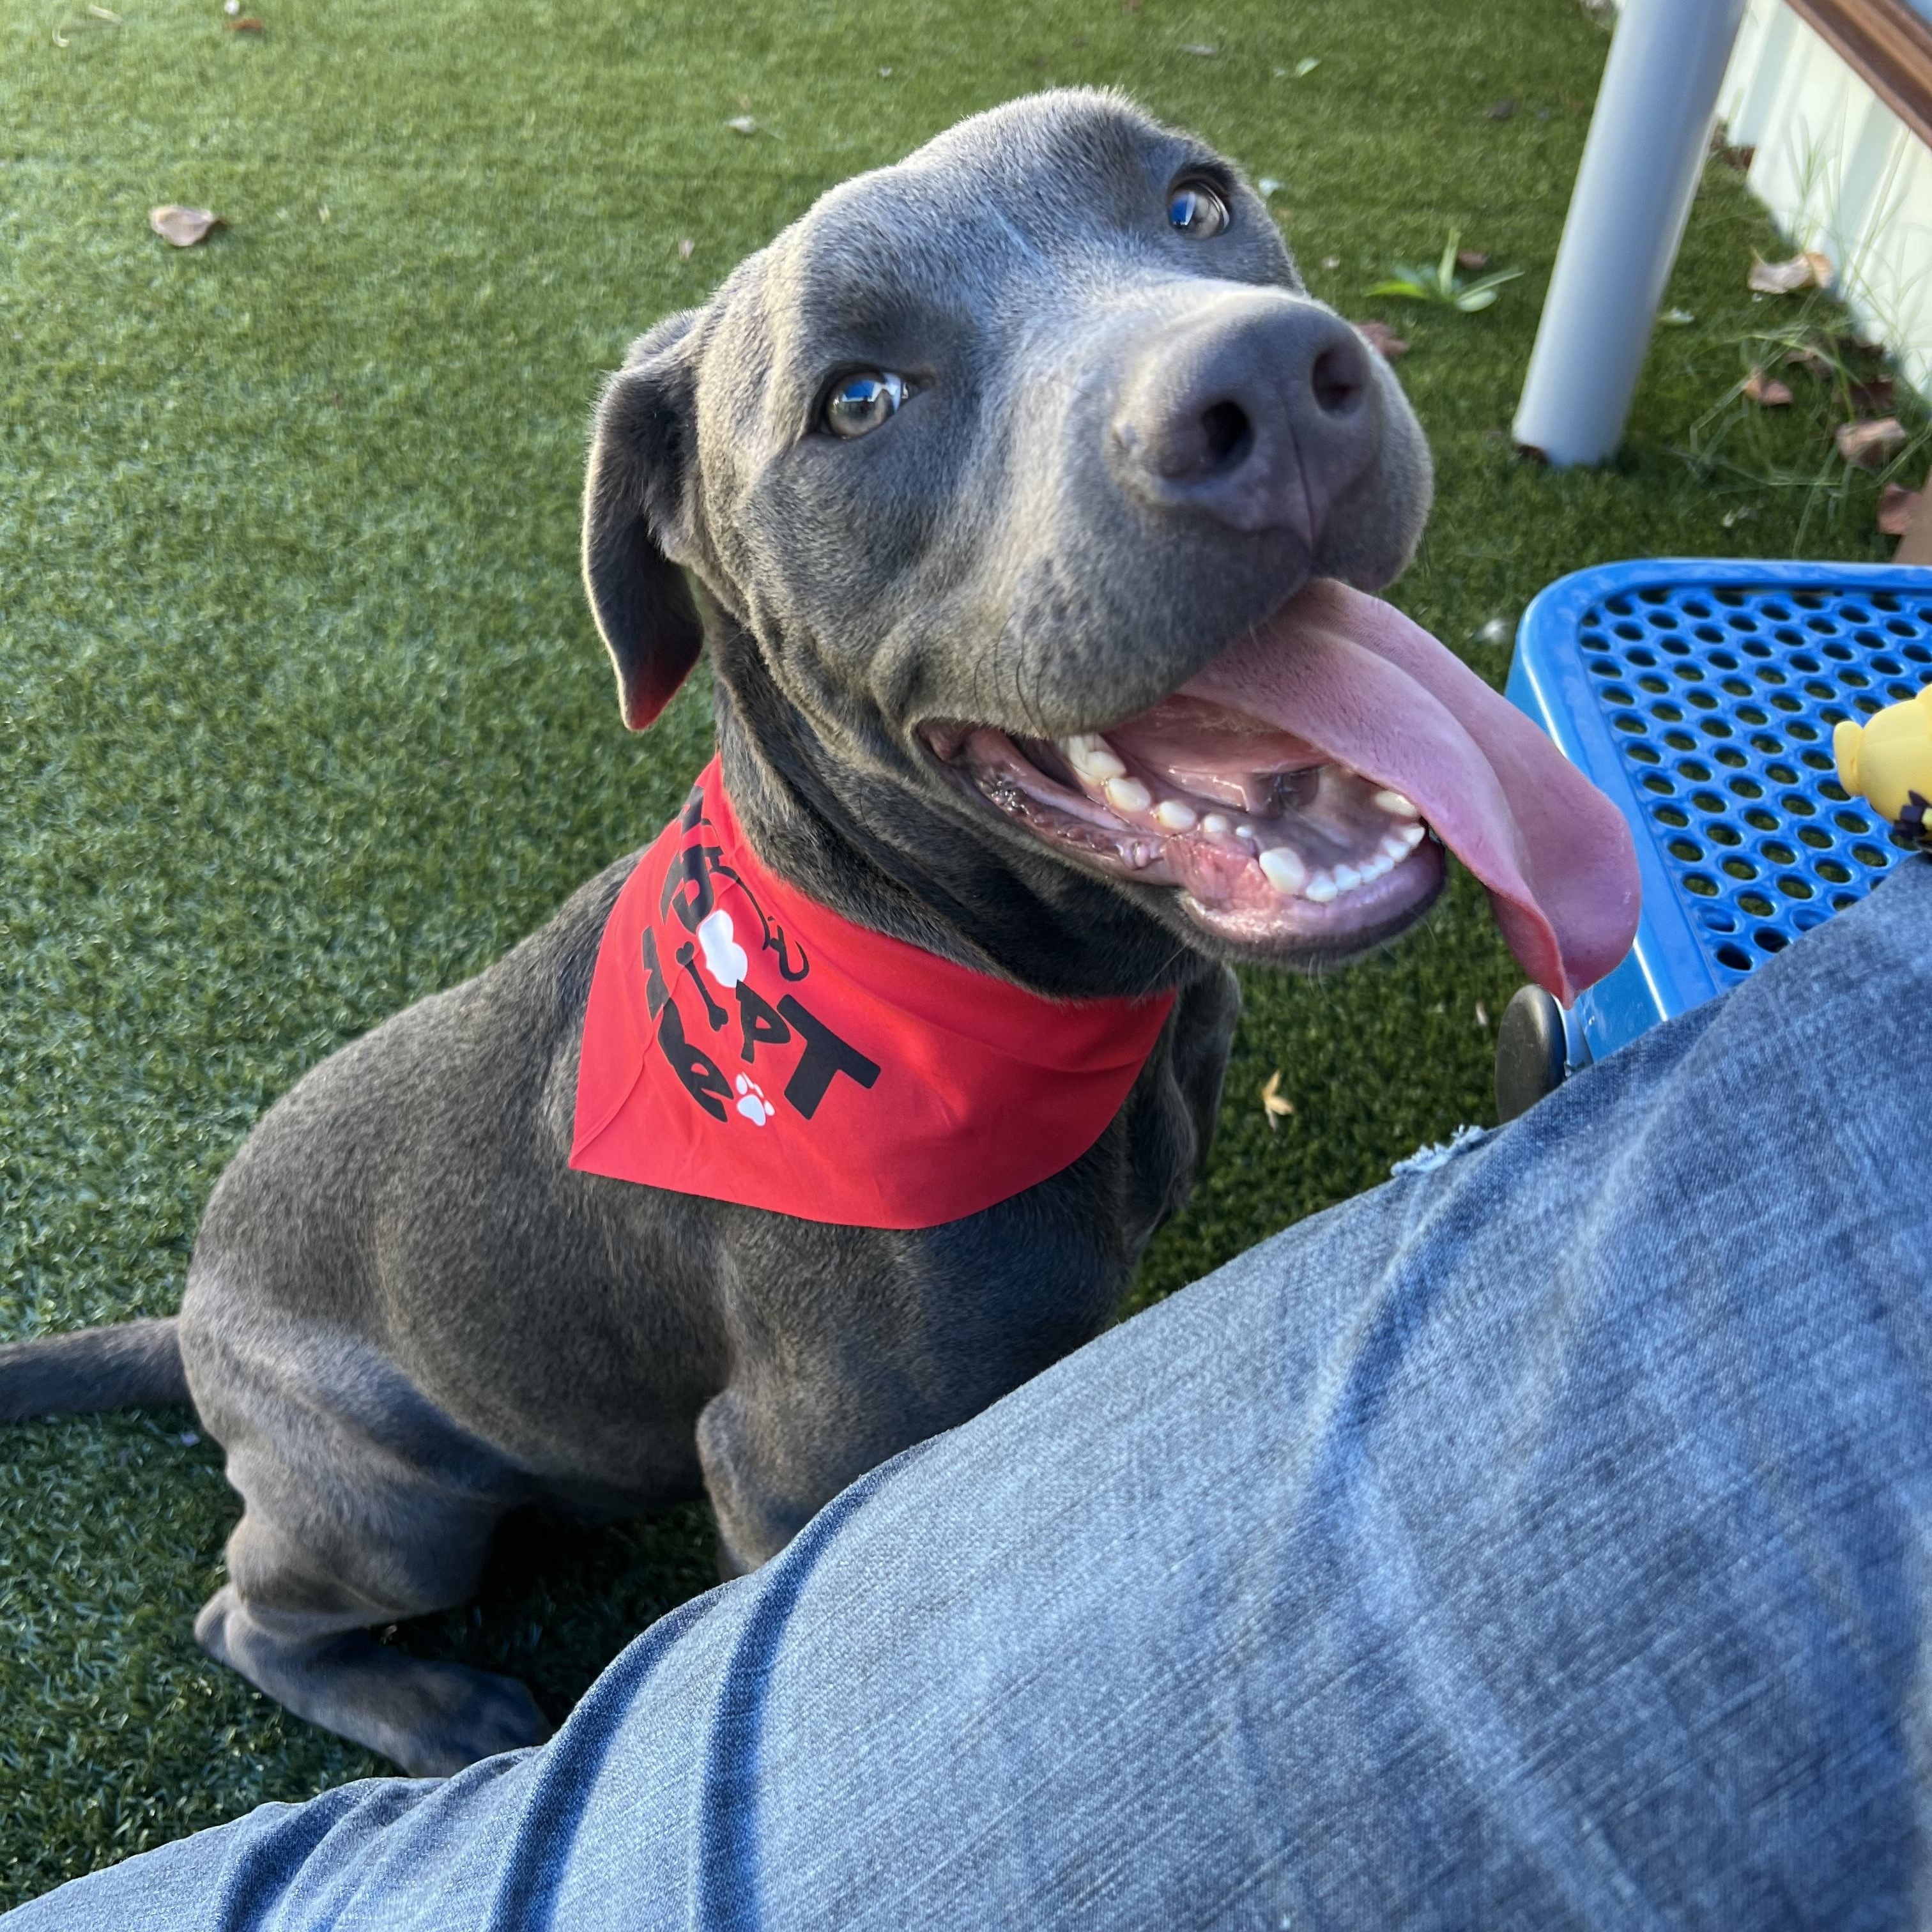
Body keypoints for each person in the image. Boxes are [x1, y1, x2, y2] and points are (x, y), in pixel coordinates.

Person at [8, 857, 1929, 1931]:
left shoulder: (1102, 977)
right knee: (403, 1521)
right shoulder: (864, 1226)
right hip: (347, 1366)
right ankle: (294, 1636)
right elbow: (782, 1491)